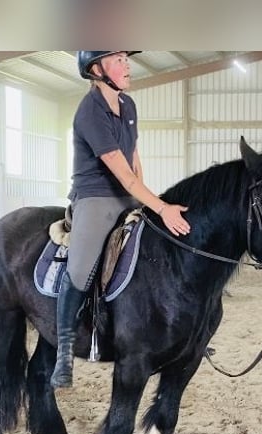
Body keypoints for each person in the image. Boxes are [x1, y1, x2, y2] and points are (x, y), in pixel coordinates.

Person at [50, 50, 191, 389]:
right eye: (117, 59)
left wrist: (148, 198)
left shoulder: (128, 106)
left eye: (126, 59)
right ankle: (64, 350)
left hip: (128, 194)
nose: (127, 64)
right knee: (80, 269)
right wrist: (161, 207)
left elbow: (133, 164)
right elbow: (119, 172)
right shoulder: (90, 111)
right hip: (96, 197)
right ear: (96, 69)